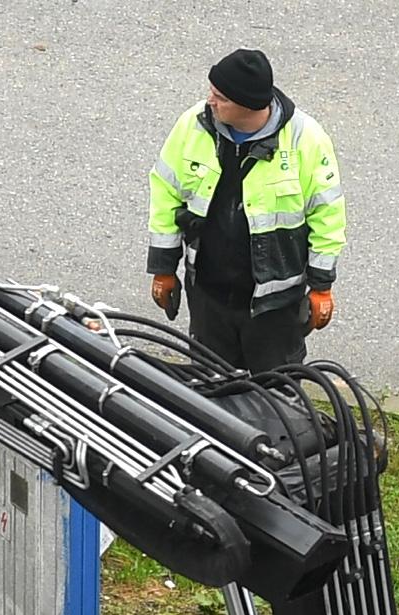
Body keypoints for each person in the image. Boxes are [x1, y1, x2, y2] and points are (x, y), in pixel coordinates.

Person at [146, 50, 344, 378]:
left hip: (274, 304)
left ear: (248, 105)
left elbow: (327, 214)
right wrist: (163, 268)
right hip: (209, 294)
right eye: (212, 91)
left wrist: (321, 286)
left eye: (220, 97)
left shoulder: (305, 139)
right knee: (209, 387)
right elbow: (165, 192)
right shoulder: (194, 125)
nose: (209, 101)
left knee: (278, 390)